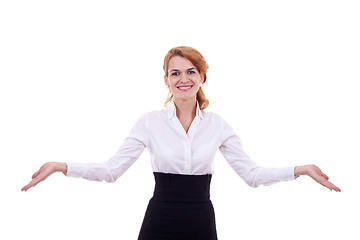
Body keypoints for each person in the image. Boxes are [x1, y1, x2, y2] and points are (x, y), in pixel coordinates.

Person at [22, 46, 341, 240]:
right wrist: (60, 166)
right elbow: (111, 170)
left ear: (202, 77)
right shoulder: (149, 122)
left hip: (201, 219)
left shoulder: (218, 125)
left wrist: (301, 169)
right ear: (166, 80)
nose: (183, 79)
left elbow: (252, 175)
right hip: (159, 217)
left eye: (191, 71)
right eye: (175, 73)